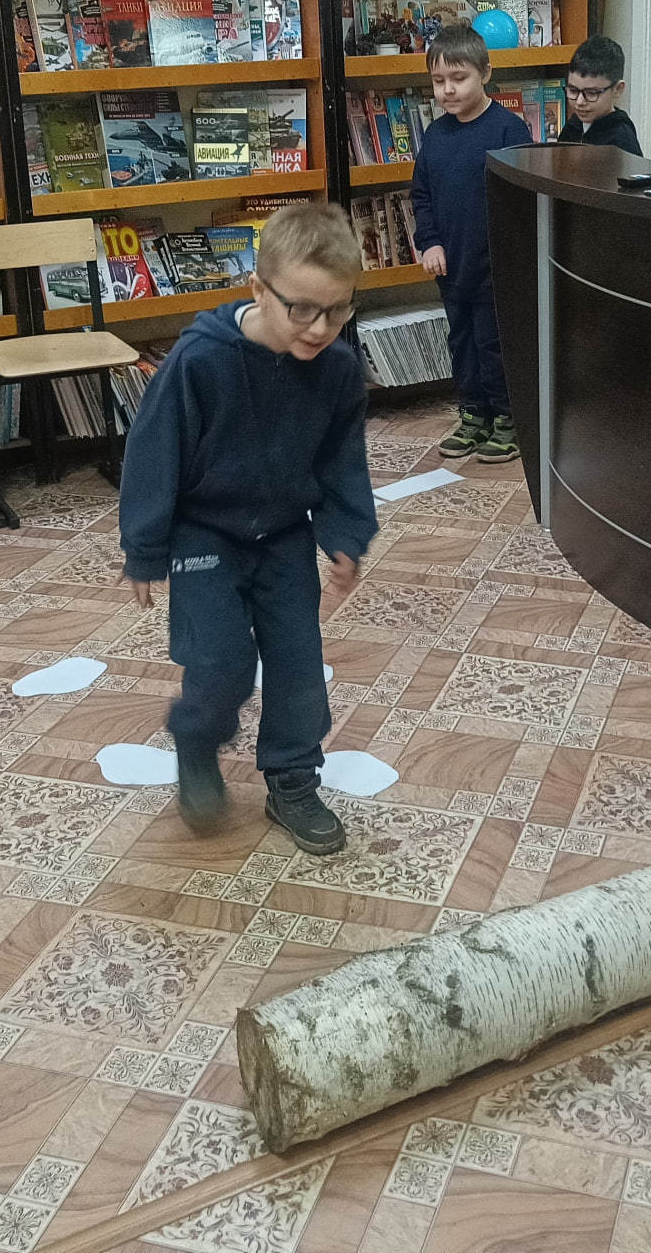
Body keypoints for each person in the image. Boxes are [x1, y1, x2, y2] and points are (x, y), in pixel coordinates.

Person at [118, 203, 377, 854]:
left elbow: (341, 460)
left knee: (298, 662)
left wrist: (345, 534)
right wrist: (144, 547)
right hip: (202, 533)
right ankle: (197, 742)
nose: (320, 328)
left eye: (338, 310)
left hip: (284, 535)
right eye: (303, 309)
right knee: (220, 660)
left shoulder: (338, 370)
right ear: (259, 289)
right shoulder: (199, 360)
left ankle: (293, 780)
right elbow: (154, 452)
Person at [410, 24, 528, 463]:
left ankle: (507, 420)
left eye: (458, 78)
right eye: (438, 80)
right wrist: (430, 242)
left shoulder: (508, 130)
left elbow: (521, 201)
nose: (448, 90)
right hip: (451, 268)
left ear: (486, 73)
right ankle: (473, 415)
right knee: (462, 344)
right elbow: (421, 195)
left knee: (494, 345)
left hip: (496, 269)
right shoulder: (435, 135)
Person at [557, 35, 642, 155]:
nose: (580, 102)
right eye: (573, 90)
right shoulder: (571, 127)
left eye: (591, 93)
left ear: (618, 89)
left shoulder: (622, 139)